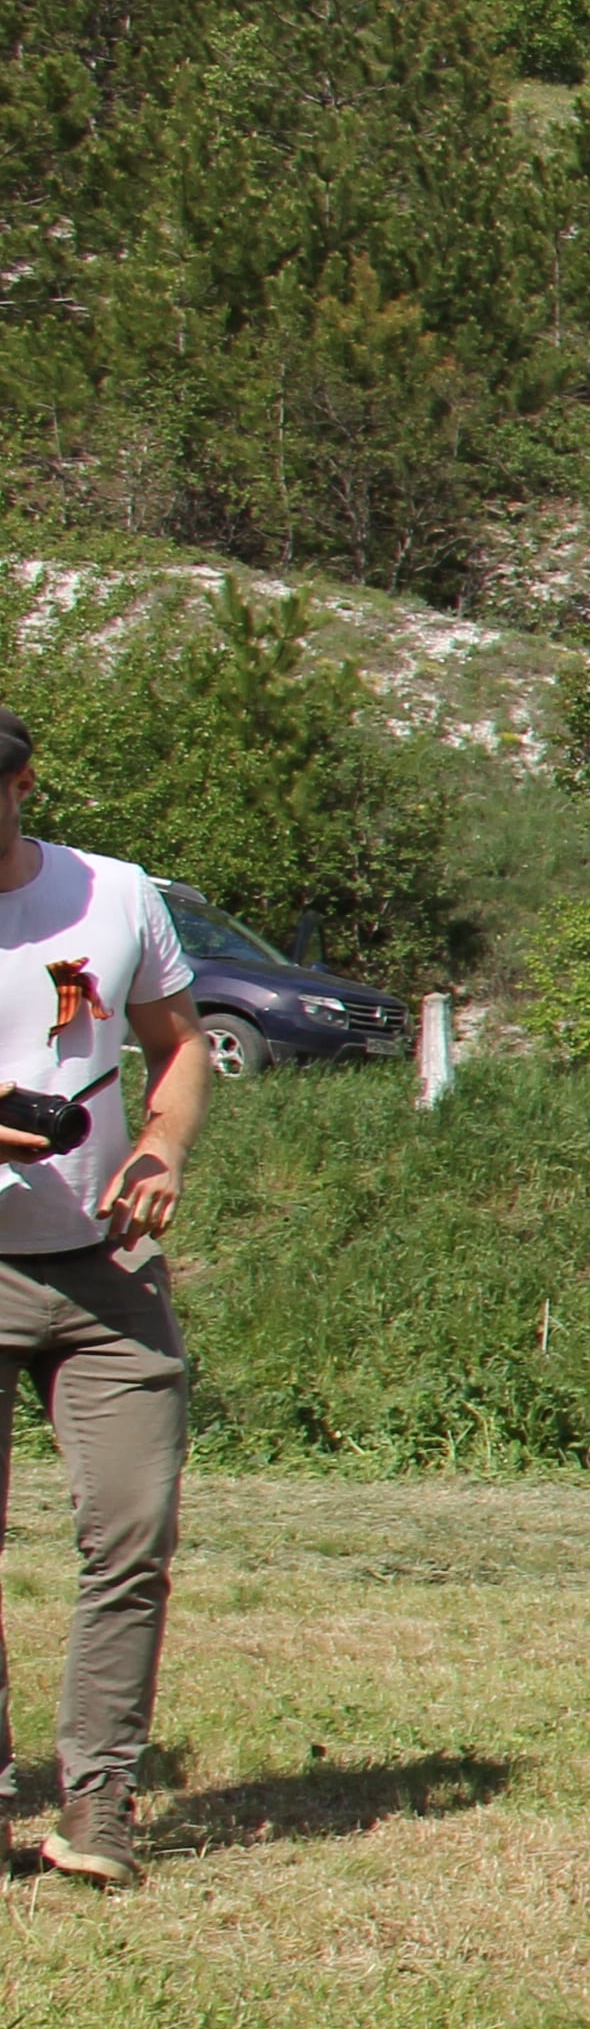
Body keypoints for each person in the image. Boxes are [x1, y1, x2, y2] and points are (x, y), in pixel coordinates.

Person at [0, 713, 208, 1895]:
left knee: (132, 1535)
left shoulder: (117, 896)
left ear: (23, 782)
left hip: (107, 1268)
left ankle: (98, 1806)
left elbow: (177, 1045)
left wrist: (161, 1149)